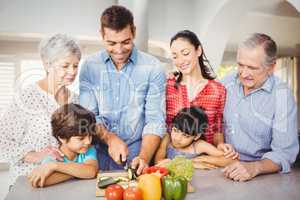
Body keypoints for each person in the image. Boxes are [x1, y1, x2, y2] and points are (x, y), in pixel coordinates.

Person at [79, 5, 166, 174]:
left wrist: (144, 157)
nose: (119, 50)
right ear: (101, 35)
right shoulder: (89, 66)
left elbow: (154, 120)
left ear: (133, 32)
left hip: (137, 157)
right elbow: (88, 116)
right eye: (111, 43)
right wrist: (110, 138)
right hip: (95, 160)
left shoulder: (153, 67)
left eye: (125, 42)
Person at [0, 33, 81, 185]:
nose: (72, 72)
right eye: (65, 66)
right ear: (47, 64)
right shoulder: (26, 98)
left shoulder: (77, 100)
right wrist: (35, 155)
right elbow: (2, 140)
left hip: (66, 180)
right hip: (30, 182)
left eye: (75, 65)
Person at [221, 33, 299, 181]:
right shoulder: (226, 83)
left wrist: (254, 168)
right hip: (221, 168)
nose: (243, 73)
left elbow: (284, 153)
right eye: (240, 65)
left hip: (259, 175)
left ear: (271, 67)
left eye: (252, 67)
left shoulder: (282, 96)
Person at [166, 30, 238, 163]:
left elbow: (217, 129)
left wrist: (221, 146)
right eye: (175, 56)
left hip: (205, 163)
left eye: (185, 53)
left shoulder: (218, 90)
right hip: (170, 163)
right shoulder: (168, 86)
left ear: (198, 50)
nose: (180, 61)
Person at [27, 103, 98, 188]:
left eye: (90, 135)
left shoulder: (88, 150)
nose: (88, 141)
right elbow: (40, 182)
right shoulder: (53, 157)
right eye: (81, 138)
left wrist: (54, 166)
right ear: (62, 138)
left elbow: (91, 171)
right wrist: (80, 172)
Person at [155, 106, 237, 169]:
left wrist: (204, 159)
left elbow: (231, 160)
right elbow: (158, 162)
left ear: (196, 136)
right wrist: (190, 163)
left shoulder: (198, 145)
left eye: (185, 135)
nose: (177, 138)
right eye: (175, 130)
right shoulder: (167, 138)